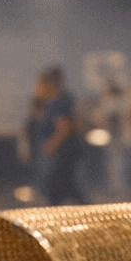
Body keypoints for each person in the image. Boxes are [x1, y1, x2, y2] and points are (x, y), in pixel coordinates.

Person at [29, 67, 83, 206]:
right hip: (56, 153)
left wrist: (51, 145)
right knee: (65, 187)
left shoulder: (60, 102)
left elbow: (64, 128)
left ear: (47, 86)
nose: (36, 90)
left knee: (59, 187)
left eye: (39, 86)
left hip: (60, 153)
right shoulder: (49, 103)